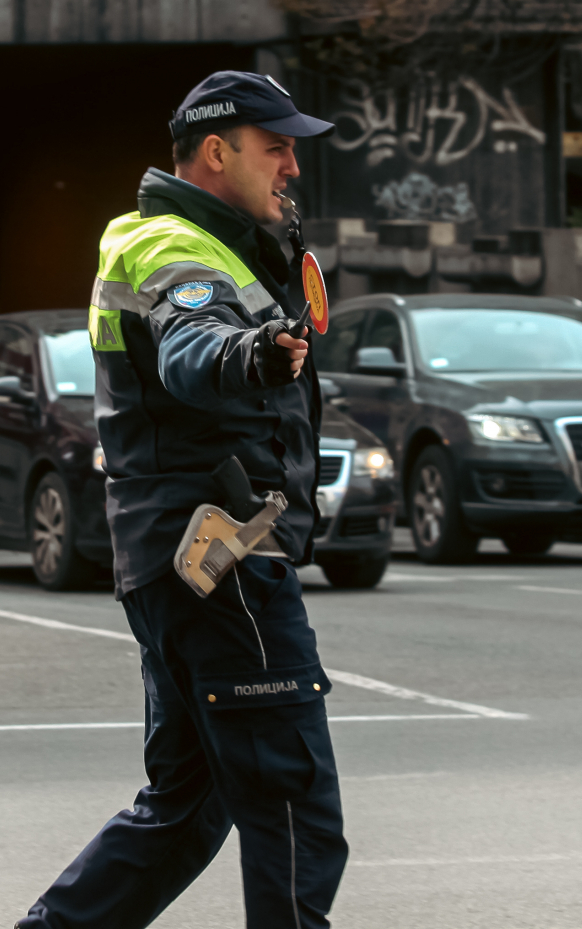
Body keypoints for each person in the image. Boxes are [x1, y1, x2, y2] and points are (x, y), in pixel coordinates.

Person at [17, 71, 347, 928]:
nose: (291, 166)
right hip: (224, 563)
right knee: (292, 804)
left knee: (186, 807)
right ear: (215, 151)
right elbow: (193, 346)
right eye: (275, 147)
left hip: (179, 564)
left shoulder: (198, 240)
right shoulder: (173, 246)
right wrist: (258, 355)